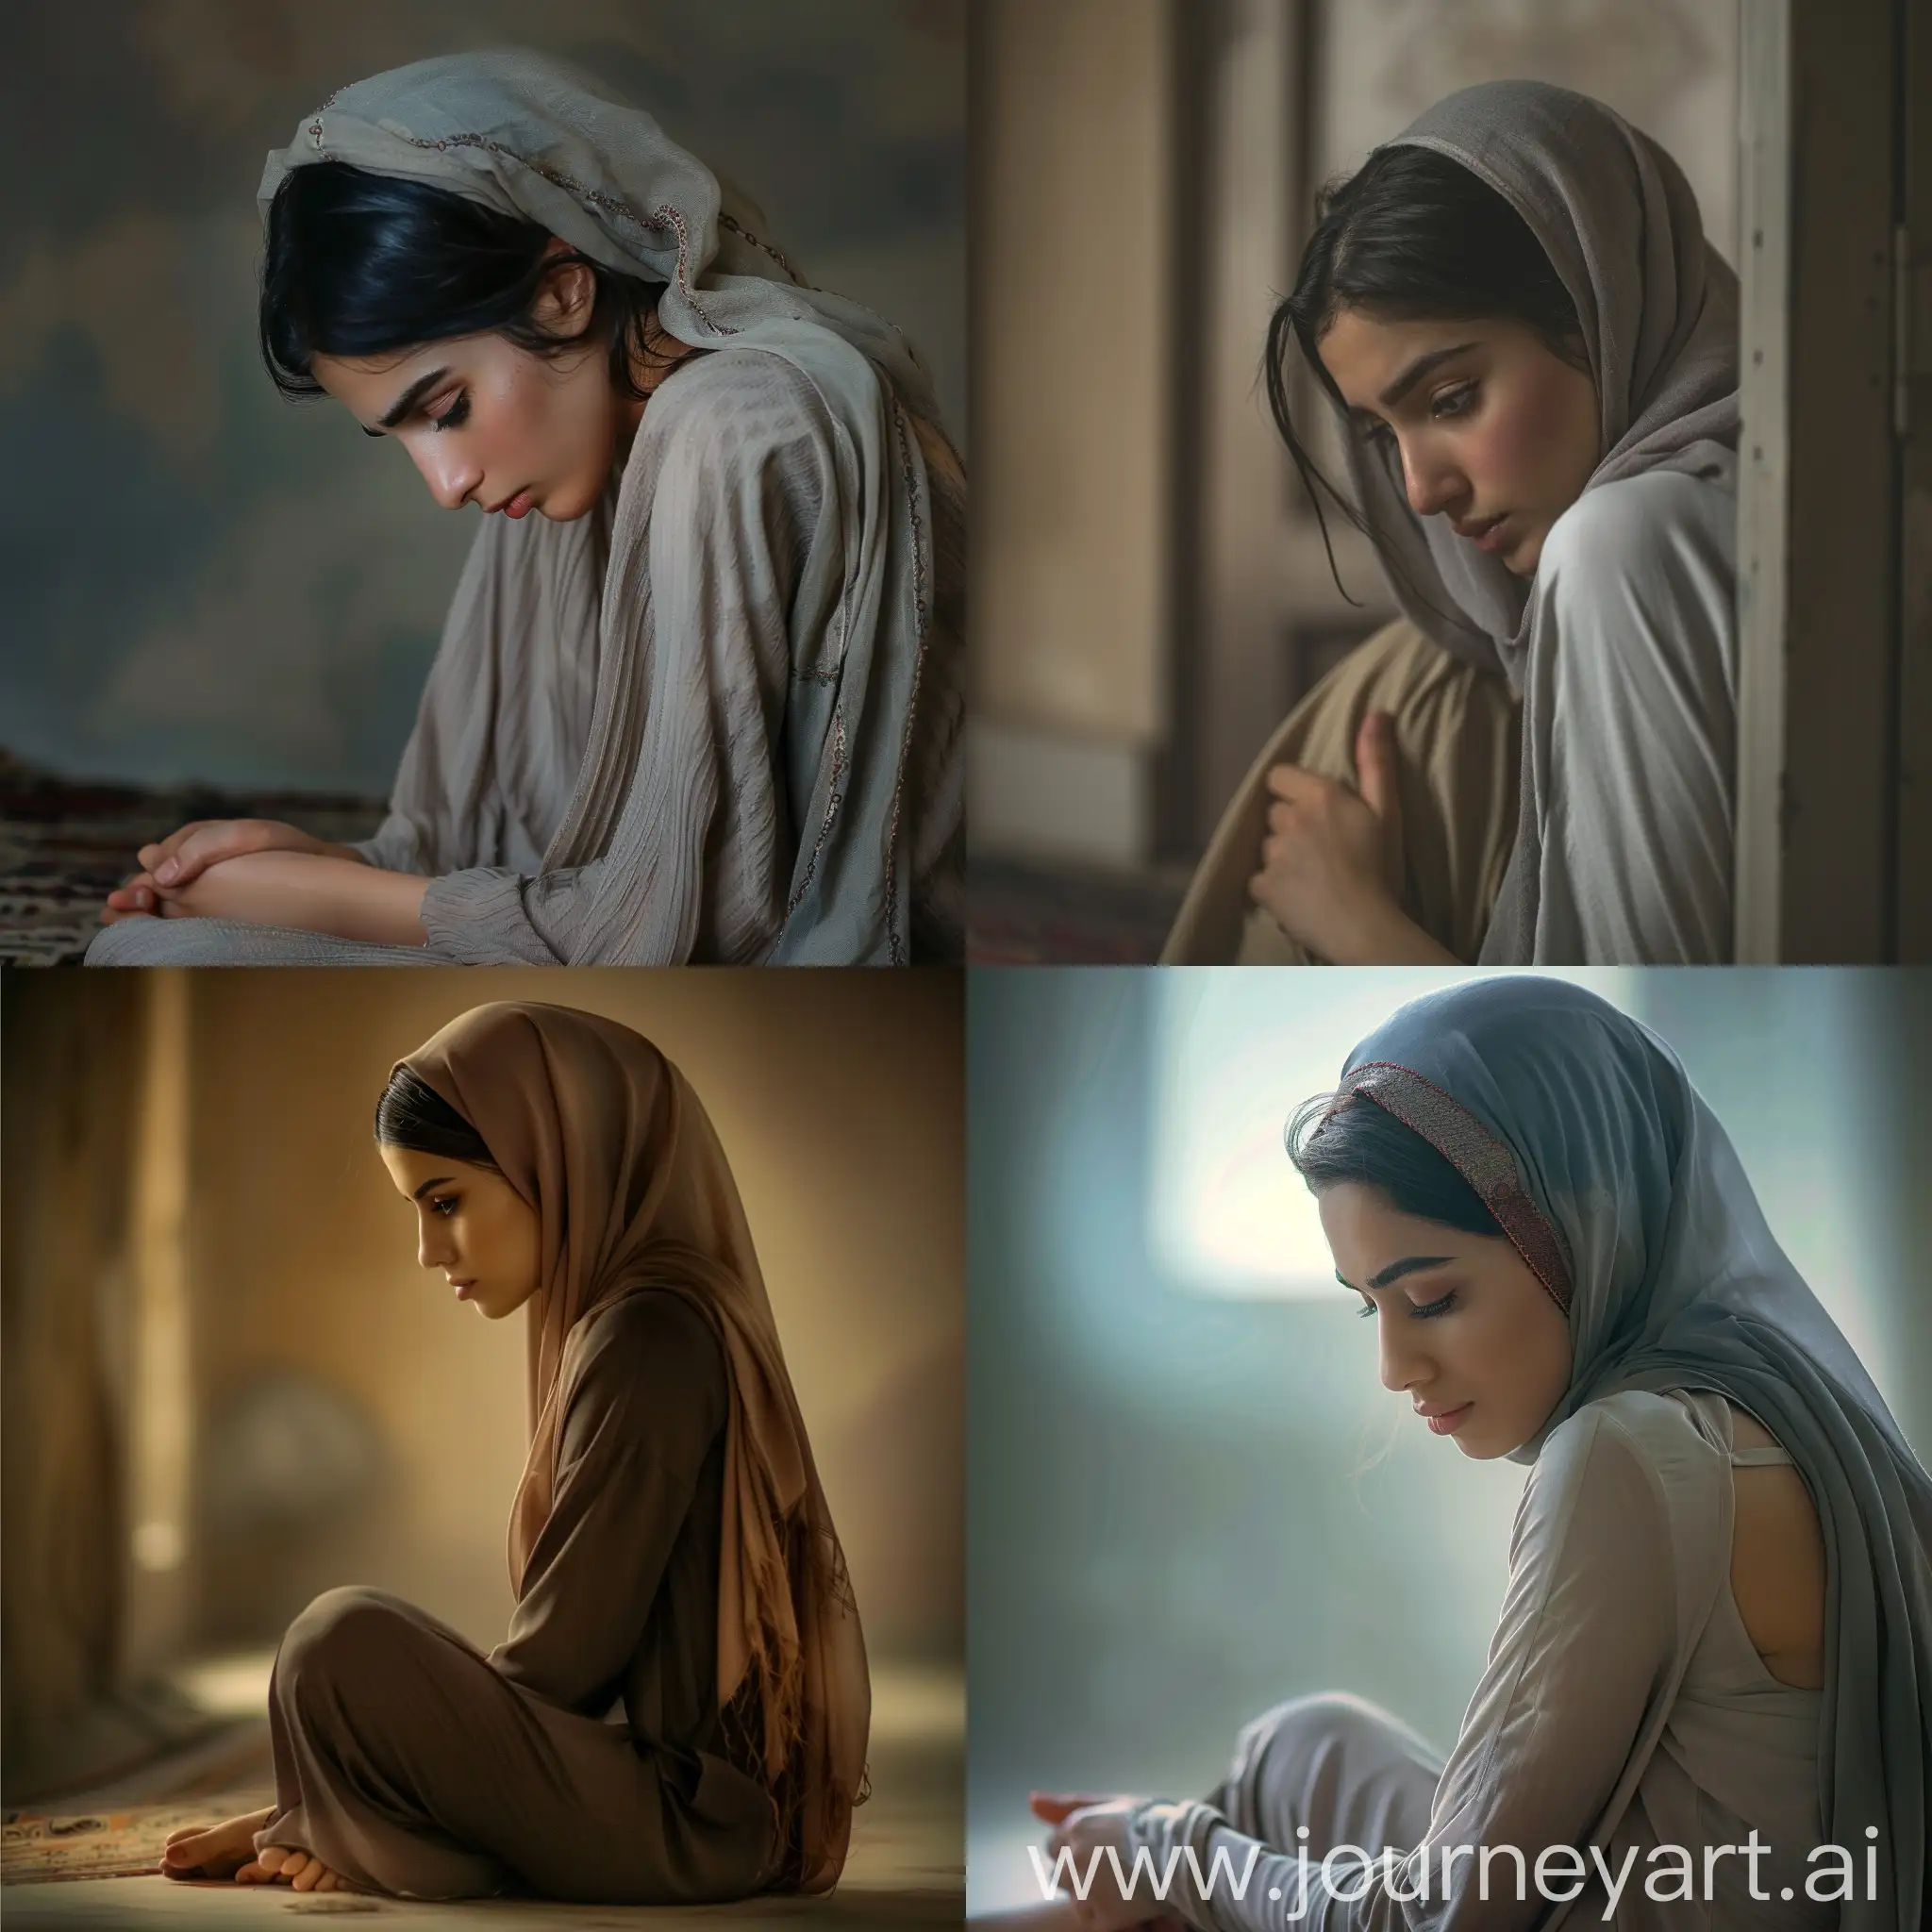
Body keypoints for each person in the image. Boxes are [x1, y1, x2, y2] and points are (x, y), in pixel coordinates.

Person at [1024, 977, 1931, 1930]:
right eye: (1366, 1304)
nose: (1392, 1366)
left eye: (1430, 1299)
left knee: (1231, 1823)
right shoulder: (1782, 1411)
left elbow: (1441, 1919)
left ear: (1585, 1228)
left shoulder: (1629, 1450)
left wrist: (1170, 1847)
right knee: (1309, 1743)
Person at [90, 48, 963, 968]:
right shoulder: (572, 447)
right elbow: (508, 848)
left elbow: (691, 929)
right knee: (155, 948)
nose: (446, 483)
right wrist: (328, 863)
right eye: (405, 440)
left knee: (151, 960)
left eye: (445, 409)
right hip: (618, 947)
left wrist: (331, 899)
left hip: (732, 964)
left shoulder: (737, 426)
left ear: (560, 293)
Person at [160, 1002, 868, 1902]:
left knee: (333, 1644)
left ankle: (344, 1829)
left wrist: (356, 1782)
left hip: (681, 1821)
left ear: (558, 1156)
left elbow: (563, 1667)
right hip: (675, 1804)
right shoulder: (644, 1316)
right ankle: (354, 1829)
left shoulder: (649, 1331)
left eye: (446, 1203)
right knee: (352, 1656)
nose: (428, 1251)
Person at [1163, 81, 1737, 967]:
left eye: (1453, 398)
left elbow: (1631, 1020)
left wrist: (1359, 926)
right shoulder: (1763, 494)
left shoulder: (1623, 543)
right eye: (1379, 434)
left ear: (1601, 302)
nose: (1420, 492)